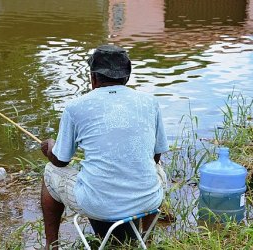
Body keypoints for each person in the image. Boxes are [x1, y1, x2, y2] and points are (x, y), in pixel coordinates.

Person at [40, 44, 169, 249]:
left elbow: (61, 160)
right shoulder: (149, 102)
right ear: (126, 77)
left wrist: (49, 147)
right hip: (147, 201)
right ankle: (148, 239)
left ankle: (51, 246)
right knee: (157, 171)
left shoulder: (75, 107)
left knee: (50, 172)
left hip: (98, 205)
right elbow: (155, 157)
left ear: (93, 77)